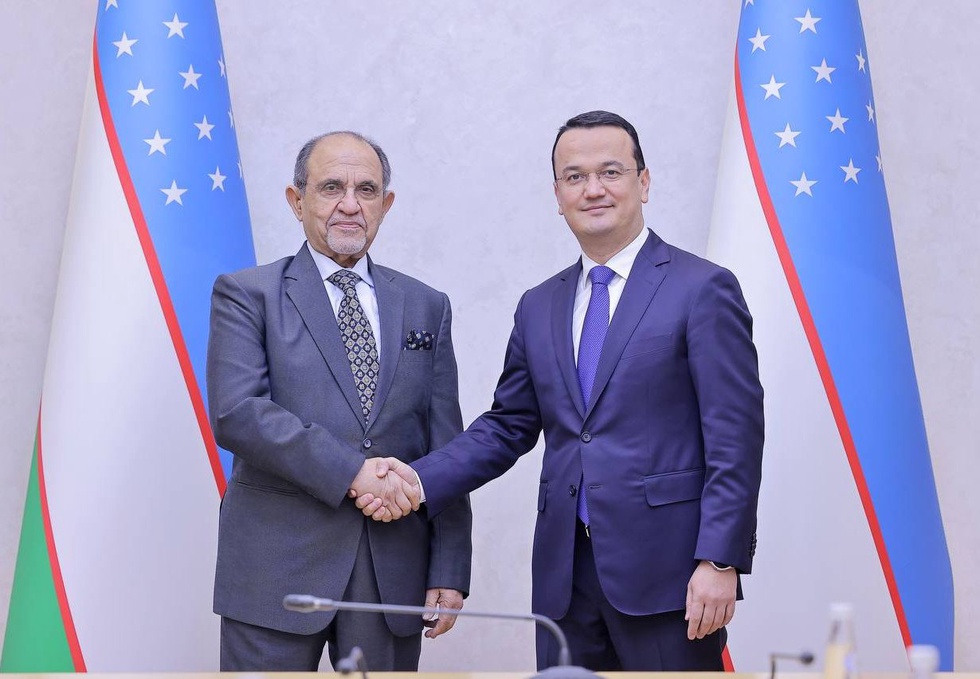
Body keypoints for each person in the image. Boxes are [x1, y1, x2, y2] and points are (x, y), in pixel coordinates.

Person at [354, 111, 764, 671]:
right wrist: (417, 481)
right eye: (575, 177)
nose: (593, 189)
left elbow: (735, 437)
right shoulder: (539, 305)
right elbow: (508, 426)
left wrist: (719, 560)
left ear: (644, 182)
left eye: (611, 172)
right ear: (558, 195)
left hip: (669, 576)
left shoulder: (703, 288)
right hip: (565, 579)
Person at [206, 131, 472, 672]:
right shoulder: (247, 293)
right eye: (331, 187)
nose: (350, 204)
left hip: (392, 569)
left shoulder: (427, 305)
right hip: (276, 568)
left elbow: (445, 442)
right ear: (296, 200)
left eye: (366, 190)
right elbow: (239, 413)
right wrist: (354, 472)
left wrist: (449, 565)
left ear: (386, 204)